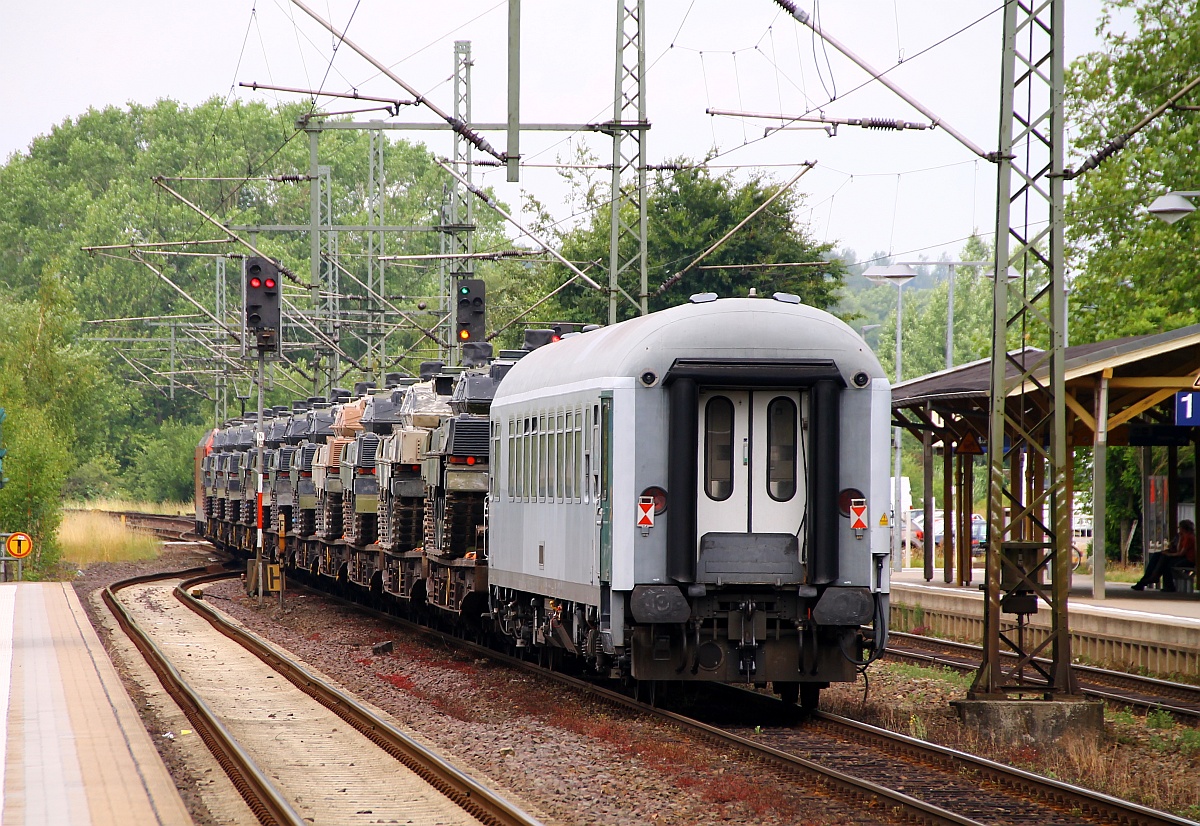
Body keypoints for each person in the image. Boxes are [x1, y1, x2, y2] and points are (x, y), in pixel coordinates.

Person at [1132, 519, 1196, 592]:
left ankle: (1153, 578)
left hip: (1188, 560)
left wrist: (1169, 554)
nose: (1179, 530)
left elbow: (1181, 553)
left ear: (1183, 528)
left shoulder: (1189, 538)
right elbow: (1178, 549)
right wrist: (1180, 538)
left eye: (1179, 528)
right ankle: (1150, 578)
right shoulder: (1184, 537)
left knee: (1166, 561)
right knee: (1158, 555)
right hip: (1183, 557)